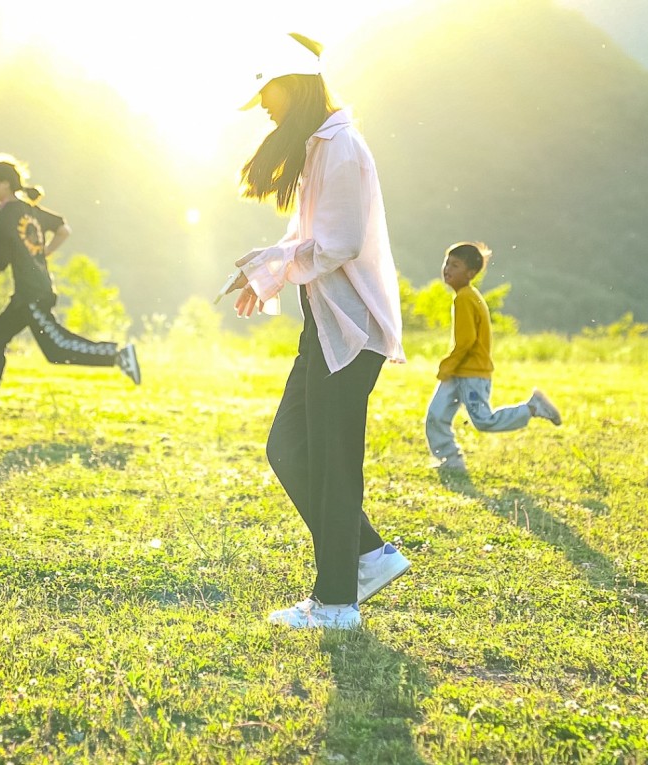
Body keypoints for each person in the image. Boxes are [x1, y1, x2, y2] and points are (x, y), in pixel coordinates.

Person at [224, 33, 409, 630]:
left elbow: (339, 243)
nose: (264, 107)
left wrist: (271, 265)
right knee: (287, 446)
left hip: (351, 330)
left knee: (332, 460)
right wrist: (264, 273)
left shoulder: (341, 147)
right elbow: (307, 237)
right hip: (325, 325)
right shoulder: (319, 146)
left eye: (268, 94)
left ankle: (336, 603)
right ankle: (369, 556)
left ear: (294, 86)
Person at [0, 155, 140, 425]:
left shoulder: (6, 215)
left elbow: (1, 256)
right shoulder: (30, 210)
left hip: (32, 294)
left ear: (5, 184)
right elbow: (63, 229)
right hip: (30, 292)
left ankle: (119, 355)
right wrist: (42, 255)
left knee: (57, 348)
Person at [425, 241, 562, 472]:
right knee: (436, 415)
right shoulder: (466, 296)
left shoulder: (465, 298)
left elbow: (466, 341)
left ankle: (532, 408)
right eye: (447, 263)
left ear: (470, 273)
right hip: (459, 370)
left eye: (455, 265)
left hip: (471, 373)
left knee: (483, 420)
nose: (447, 268)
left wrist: (447, 365)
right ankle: (450, 461)